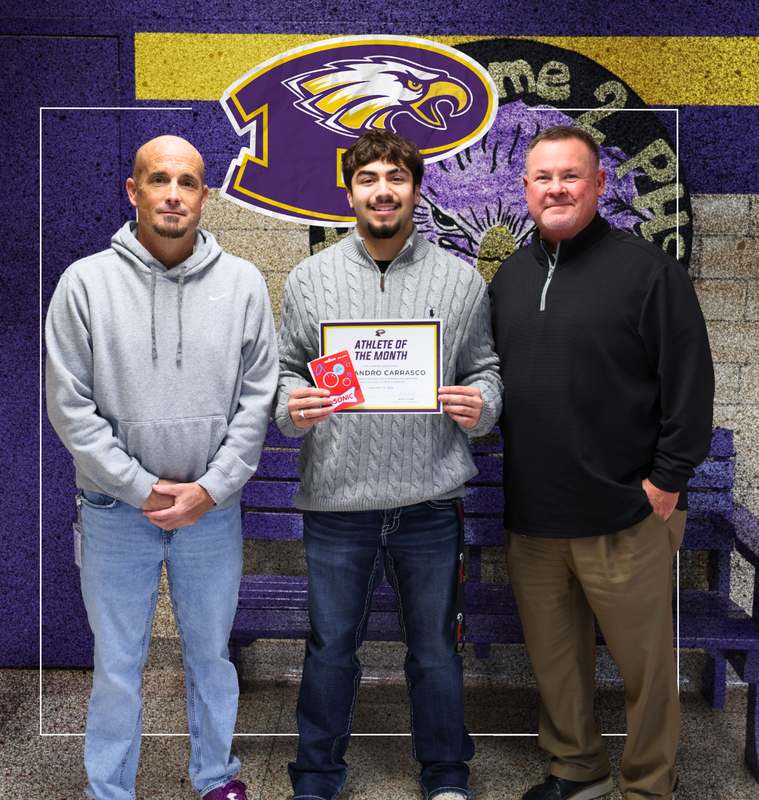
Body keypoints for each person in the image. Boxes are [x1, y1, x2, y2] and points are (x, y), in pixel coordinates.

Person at [45, 135, 278, 800]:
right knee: (118, 666)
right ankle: (109, 790)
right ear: (133, 190)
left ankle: (216, 778)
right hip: (118, 515)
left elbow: (256, 401)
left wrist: (209, 489)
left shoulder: (242, 286)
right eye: (158, 180)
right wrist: (141, 487)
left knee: (211, 658)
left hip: (212, 517)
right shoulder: (84, 285)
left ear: (205, 196)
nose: (173, 193)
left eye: (187, 181)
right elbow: (71, 409)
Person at [273, 130, 503, 800]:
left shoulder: (459, 281)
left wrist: (480, 404)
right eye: (368, 177)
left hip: (429, 503)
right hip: (336, 503)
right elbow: (286, 372)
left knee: (434, 651)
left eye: (395, 177)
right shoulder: (310, 280)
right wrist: (296, 405)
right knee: (329, 652)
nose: (382, 189)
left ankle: (446, 775)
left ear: (415, 188)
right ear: (350, 191)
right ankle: (316, 778)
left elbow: (486, 370)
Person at [488, 125, 714, 800]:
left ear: (599, 185)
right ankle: (576, 769)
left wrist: (665, 485)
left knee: (645, 670)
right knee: (557, 666)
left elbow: (690, 386)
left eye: (570, 176)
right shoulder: (510, 276)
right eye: (542, 178)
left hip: (627, 513)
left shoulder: (649, 272)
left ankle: (646, 786)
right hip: (534, 516)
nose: (556, 188)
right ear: (525, 189)